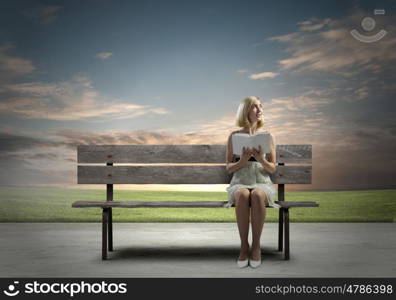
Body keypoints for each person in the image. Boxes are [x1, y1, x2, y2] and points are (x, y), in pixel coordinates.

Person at [225, 96, 279, 268]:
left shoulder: (268, 137)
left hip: (261, 182)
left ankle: (256, 247)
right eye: (255, 107)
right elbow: (229, 168)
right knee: (242, 194)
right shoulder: (234, 136)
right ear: (245, 111)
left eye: (260, 106)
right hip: (240, 181)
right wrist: (243, 160)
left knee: (256, 195)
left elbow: (272, 169)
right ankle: (243, 246)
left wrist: (259, 159)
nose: (259, 109)